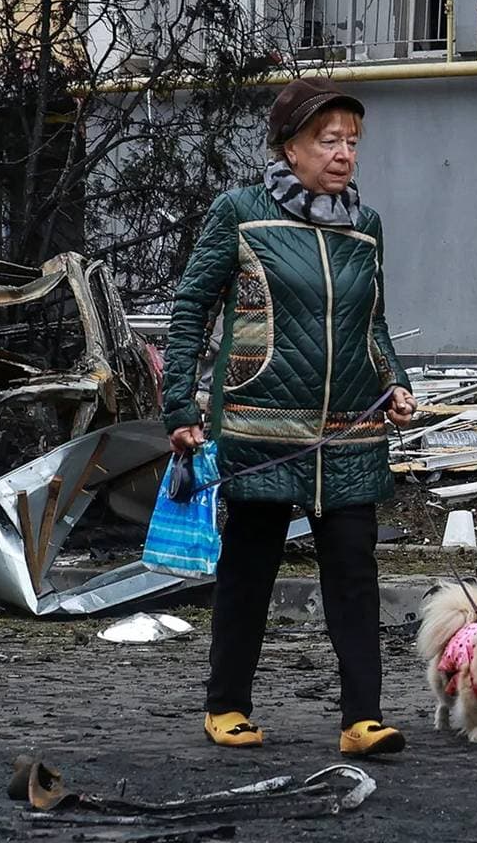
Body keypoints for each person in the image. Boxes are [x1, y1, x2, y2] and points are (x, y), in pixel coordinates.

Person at [161, 77, 418, 756]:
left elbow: (375, 320)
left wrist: (394, 381)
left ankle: (362, 720)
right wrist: (179, 405)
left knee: (356, 577)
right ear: (288, 148)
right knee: (250, 569)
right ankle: (227, 706)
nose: (343, 155)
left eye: (352, 142)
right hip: (262, 425)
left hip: (351, 433)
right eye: (327, 140)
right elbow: (191, 308)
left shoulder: (365, 226)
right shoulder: (239, 213)